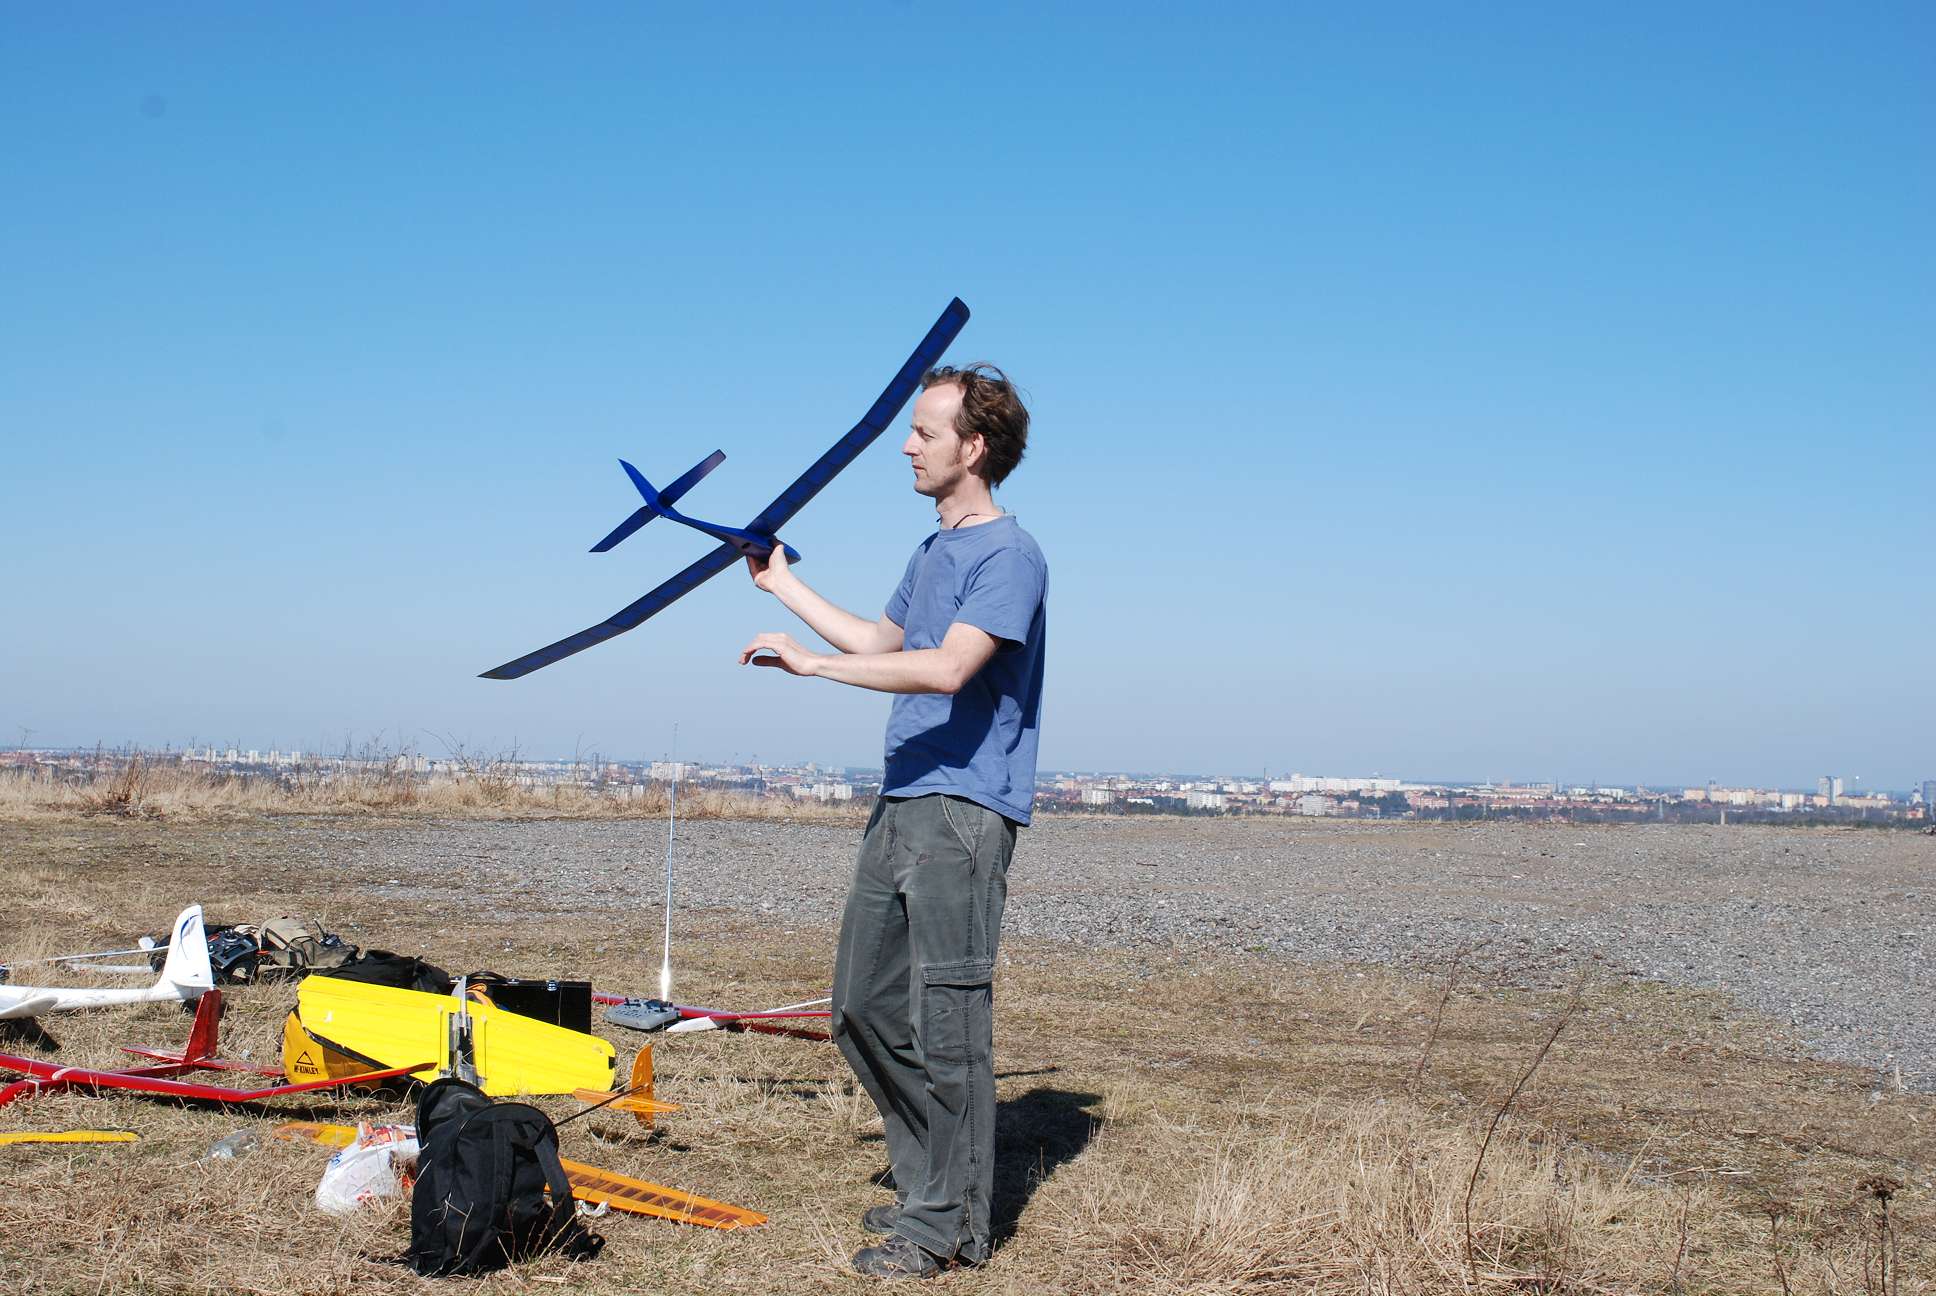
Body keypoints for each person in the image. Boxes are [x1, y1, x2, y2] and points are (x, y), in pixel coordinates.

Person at [738, 362, 1046, 1278]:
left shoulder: (1009, 556)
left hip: (964, 809)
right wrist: (782, 588)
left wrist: (813, 669)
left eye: (925, 432)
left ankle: (949, 1225)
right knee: (861, 1008)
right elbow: (883, 642)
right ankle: (931, 1188)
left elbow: (947, 669)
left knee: (949, 1023)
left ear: (974, 446)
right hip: (904, 797)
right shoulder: (931, 552)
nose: (908, 446)